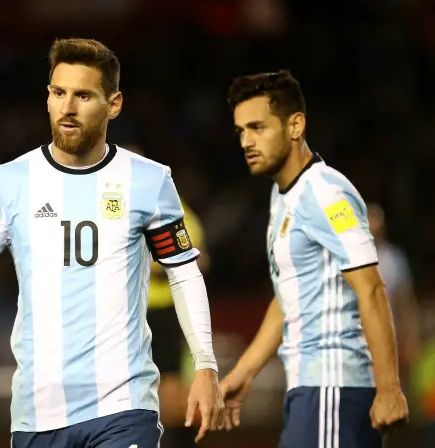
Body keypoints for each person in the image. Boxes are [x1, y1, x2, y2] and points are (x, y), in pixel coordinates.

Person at [0, 38, 224, 448]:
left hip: (123, 405)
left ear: (113, 104)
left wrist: (205, 364)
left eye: (83, 95)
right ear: (47, 97)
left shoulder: (150, 181)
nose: (68, 106)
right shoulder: (9, 182)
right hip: (37, 412)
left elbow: (184, 274)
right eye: (59, 93)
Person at [217, 70, 409, 447]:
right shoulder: (283, 196)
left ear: (295, 125)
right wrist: (244, 371)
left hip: (334, 387)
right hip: (310, 390)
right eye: (241, 131)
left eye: (257, 127)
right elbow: (288, 296)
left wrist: (389, 388)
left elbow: (370, 288)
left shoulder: (326, 192)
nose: (246, 141)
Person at [128, 144, 211, 448]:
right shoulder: (115, 208)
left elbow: (199, 259)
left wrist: (152, 264)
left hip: (163, 312)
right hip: (128, 314)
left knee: (170, 388)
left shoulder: (174, 209)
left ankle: (178, 442)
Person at [366, 203, 421, 374]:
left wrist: (411, 338)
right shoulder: (350, 257)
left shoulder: (395, 259)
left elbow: (405, 301)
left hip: (390, 340)